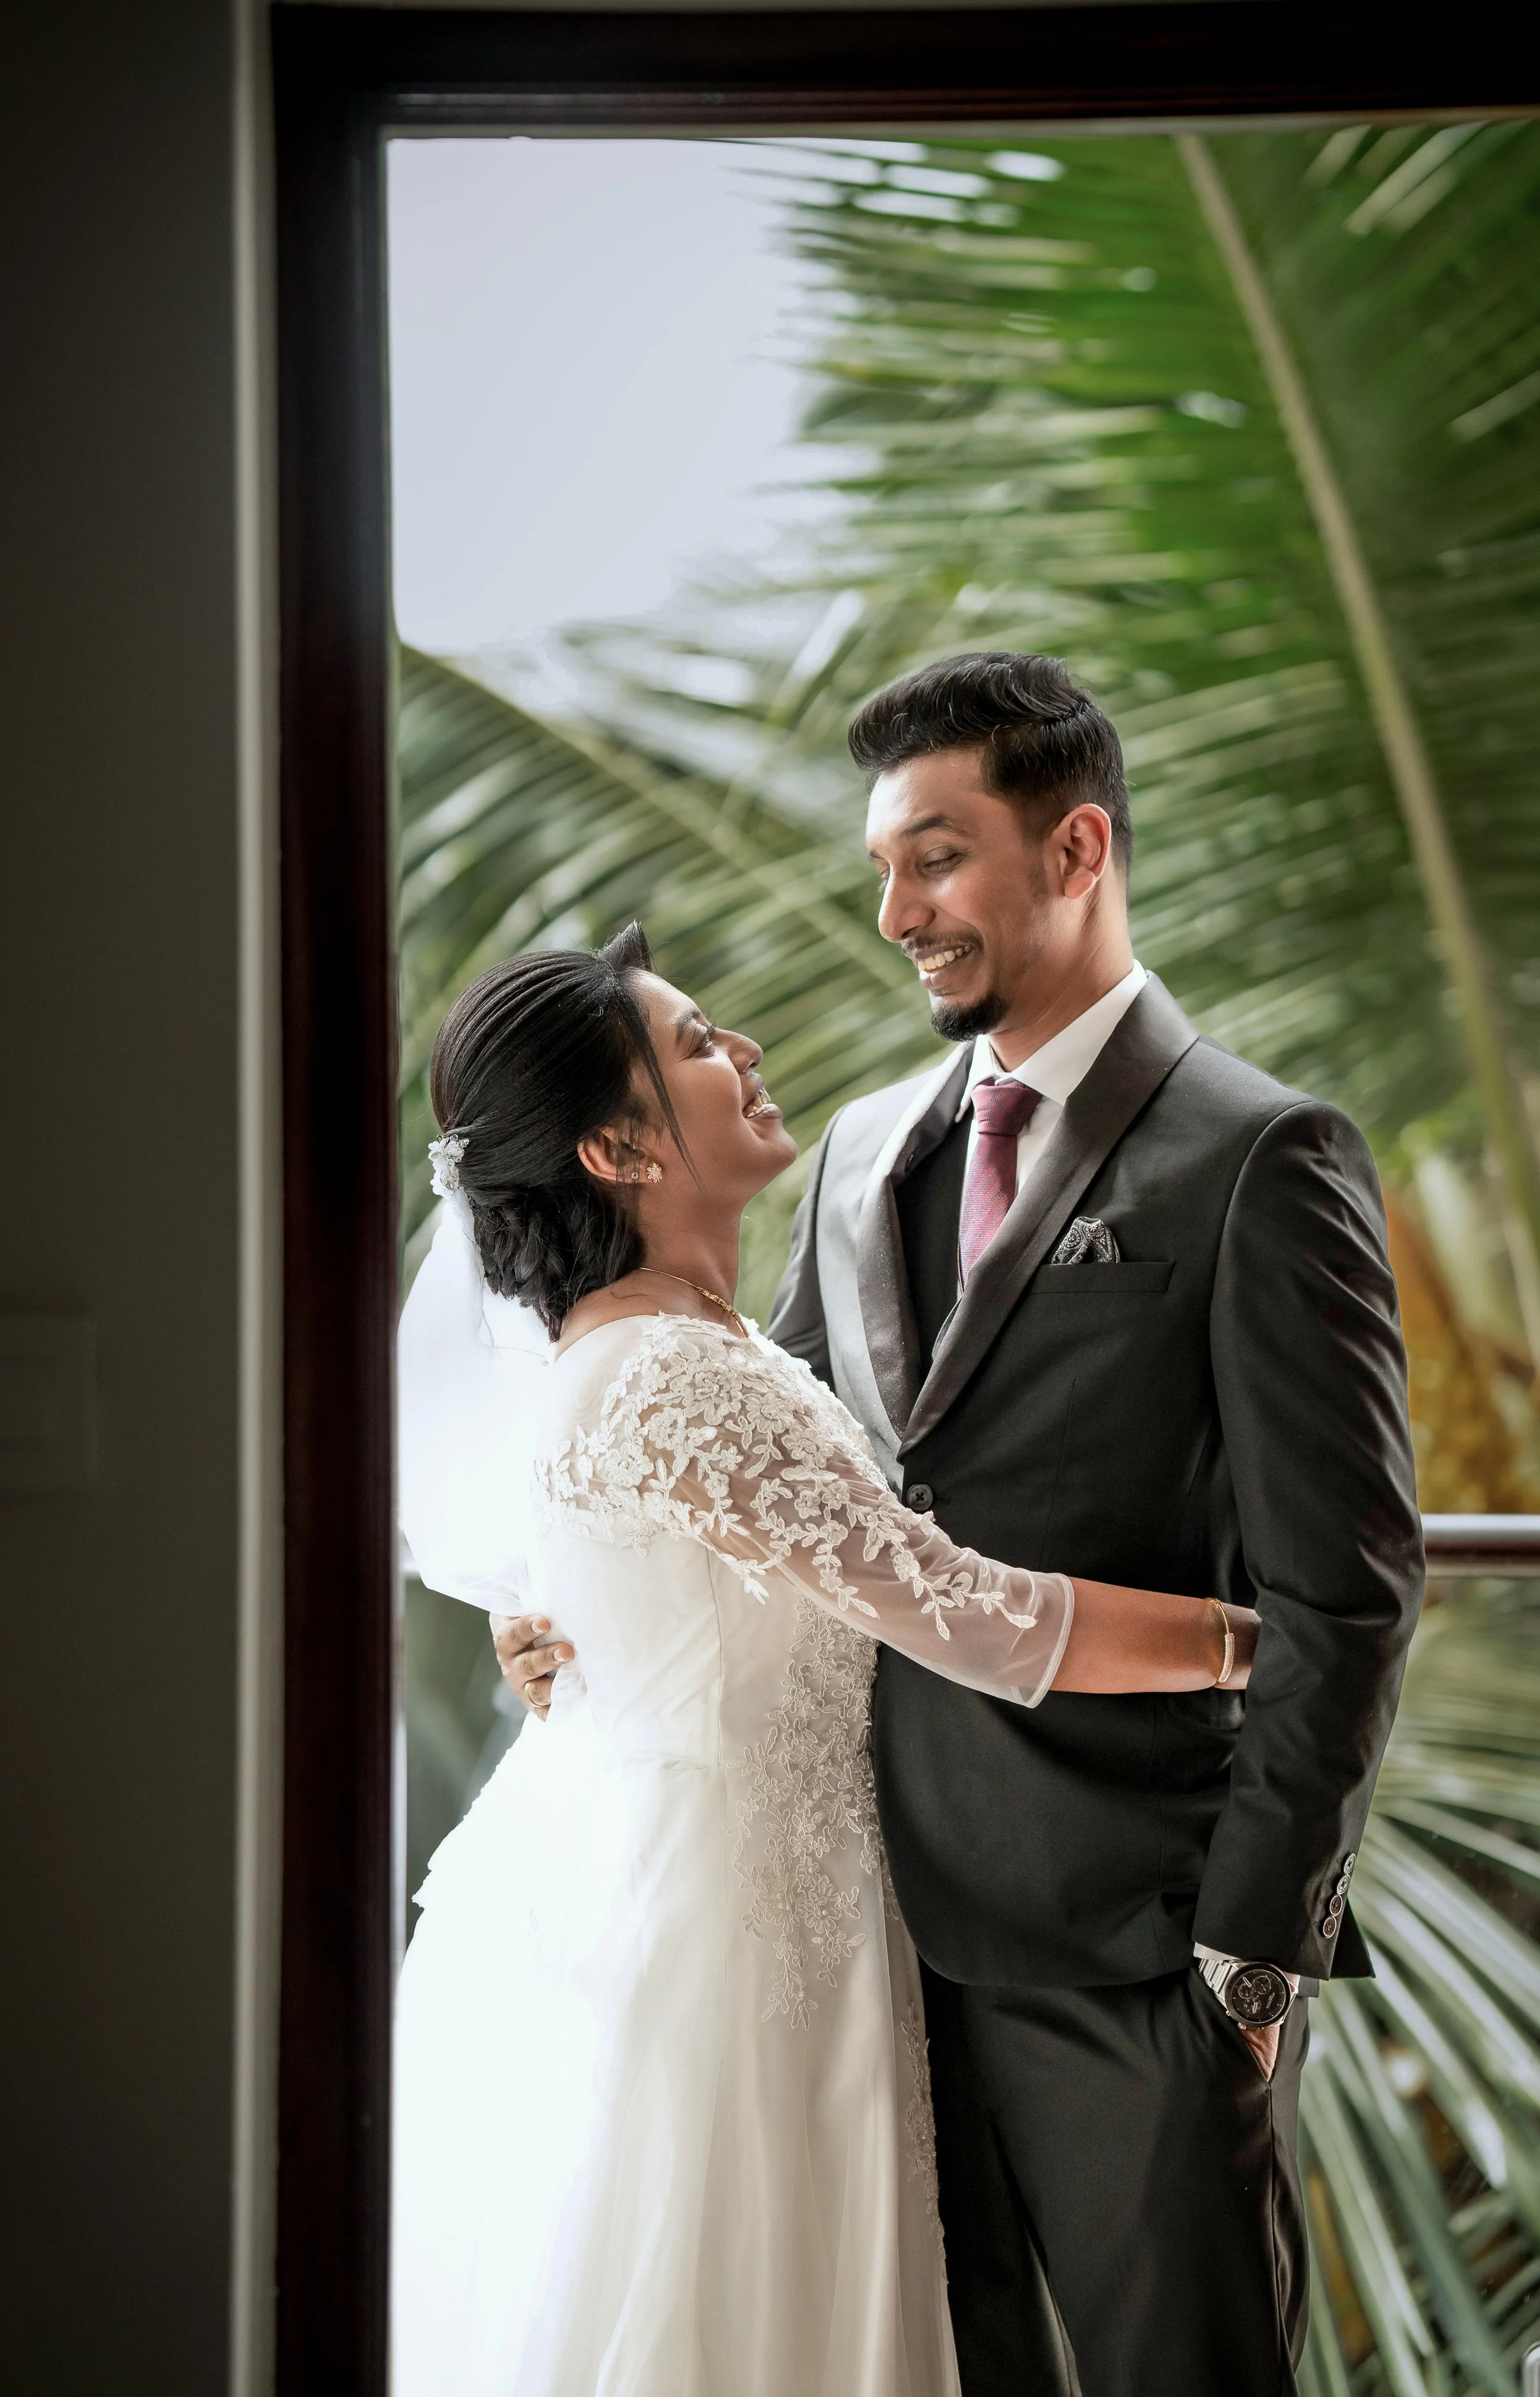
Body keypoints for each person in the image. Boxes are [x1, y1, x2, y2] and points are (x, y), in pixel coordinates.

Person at [496, 655, 1424, 2397]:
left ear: (1071, 848)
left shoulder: (1259, 1156)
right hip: (860, 1952)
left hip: (1136, 1946)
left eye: (934, 857)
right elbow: (770, 1460)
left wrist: (1248, 1943)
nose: (894, 910)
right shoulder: (850, 1153)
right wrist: (581, 1611)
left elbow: (1347, 1587)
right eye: (878, 867)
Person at [394, 924, 1261, 2397]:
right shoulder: (666, 1375)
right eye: (692, 1045)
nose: (738, 1052)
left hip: (768, 1894)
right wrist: (1255, 1640)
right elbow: (966, 1610)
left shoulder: (695, 1345)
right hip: (732, 1933)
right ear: (616, 1151)